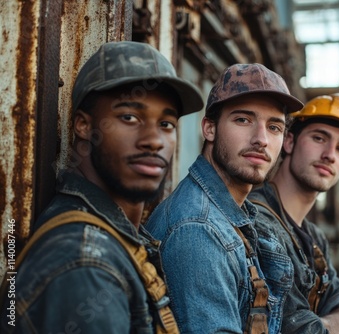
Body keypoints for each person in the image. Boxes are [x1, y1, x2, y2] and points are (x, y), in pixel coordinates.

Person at [0, 41, 204, 333]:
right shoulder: (86, 266)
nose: (154, 140)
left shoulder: (111, 238)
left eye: (167, 123)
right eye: (129, 117)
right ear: (83, 125)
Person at [145, 63, 304, 333]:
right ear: (209, 128)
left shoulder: (234, 215)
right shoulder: (198, 229)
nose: (261, 139)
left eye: (274, 127)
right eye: (243, 120)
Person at [249, 93, 339, 333]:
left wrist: (336, 321)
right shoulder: (257, 224)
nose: (330, 154)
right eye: (319, 138)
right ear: (289, 142)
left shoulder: (314, 238)